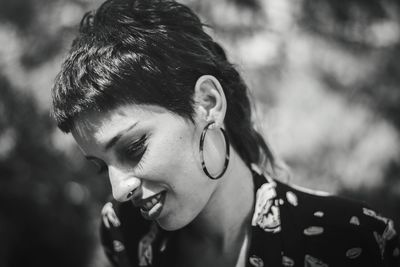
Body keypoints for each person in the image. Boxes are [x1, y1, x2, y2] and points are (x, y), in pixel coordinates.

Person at [51, 0, 400, 266]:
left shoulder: (355, 239)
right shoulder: (123, 230)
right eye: (101, 165)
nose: (118, 190)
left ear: (207, 103)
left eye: (134, 147)